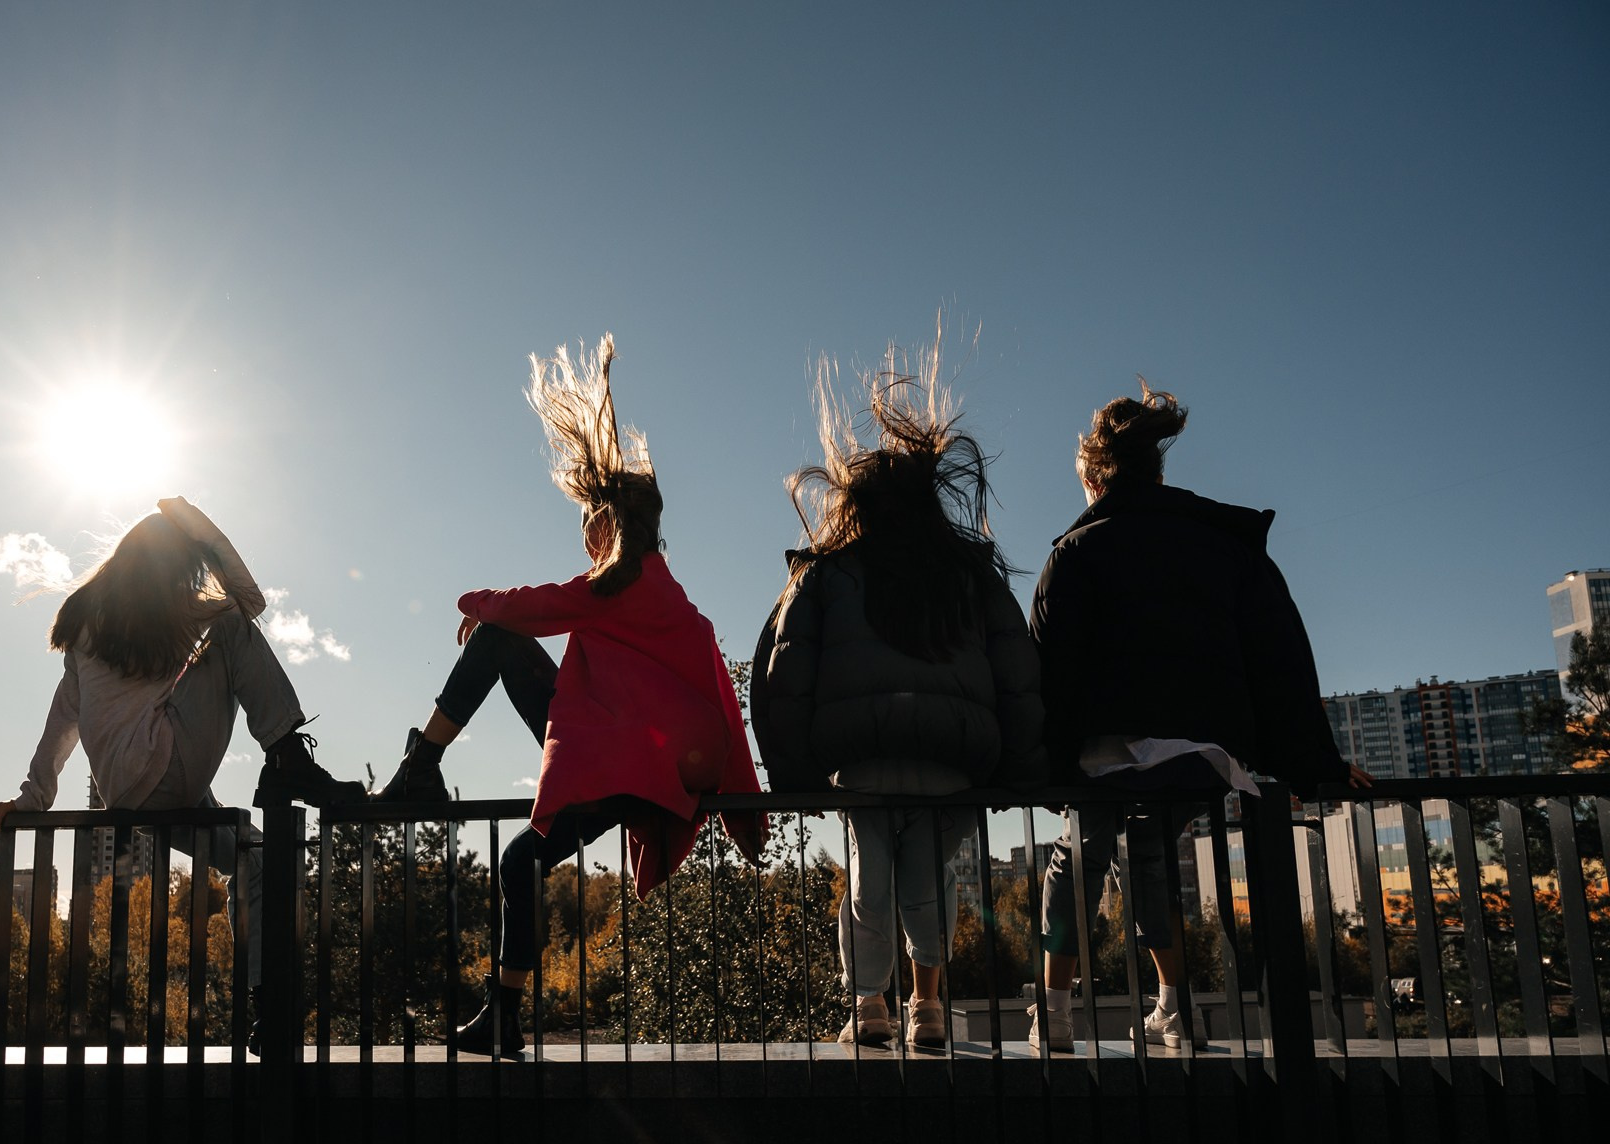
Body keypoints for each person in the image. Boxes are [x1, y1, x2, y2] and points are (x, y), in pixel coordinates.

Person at [373, 334, 766, 1054]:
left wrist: (475, 601)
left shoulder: (620, 585)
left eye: (589, 522)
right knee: (519, 859)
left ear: (609, 525)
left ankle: (419, 771)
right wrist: (746, 818)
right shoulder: (669, 597)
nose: (583, 535)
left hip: (619, 766)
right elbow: (722, 706)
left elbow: (538, 603)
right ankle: (504, 1013)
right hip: (631, 768)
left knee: (497, 643)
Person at [1027, 382, 1371, 1053]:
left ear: (1096, 477)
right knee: (1153, 858)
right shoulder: (1225, 547)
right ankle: (1175, 1011)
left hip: (1107, 745)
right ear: (1158, 470)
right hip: (1197, 748)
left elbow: (1049, 673)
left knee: (1077, 854)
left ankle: (1056, 1012)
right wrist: (1316, 763)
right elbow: (1280, 657)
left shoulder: (1076, 552)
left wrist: (1042, 766)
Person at [0, 498, 365, 1047]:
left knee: (261, 859)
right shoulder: (183, 612)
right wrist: (197, 522)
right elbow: (250, 605)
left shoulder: (86, 618)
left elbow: (65, 715)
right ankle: (289, 758)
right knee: (233, 625)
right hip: (168, 772)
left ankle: (267, 1008)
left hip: (132, 797)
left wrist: (32, 798)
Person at [752, 349, 1045, 1051]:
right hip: (951, 756)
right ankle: (929, 1007)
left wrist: (792, 777)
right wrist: (1024, 769)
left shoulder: (828, 572)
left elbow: (785, 673)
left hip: (863, 757)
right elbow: (1017, 667)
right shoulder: (969, 572)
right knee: (927, 884)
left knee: (867, 884)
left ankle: (871, 1005)